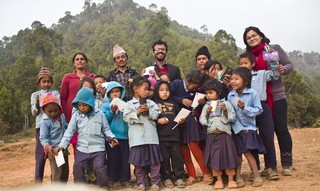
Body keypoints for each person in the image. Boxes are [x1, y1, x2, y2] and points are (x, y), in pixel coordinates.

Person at [243, 26, 294, 175]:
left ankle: (287, 164)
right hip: (257, 99)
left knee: (281, 129)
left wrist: (283, 69)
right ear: (246, 41)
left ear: (260, 35)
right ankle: (269, 166)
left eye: (254, 35)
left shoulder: (270, 50)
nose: (252, 38)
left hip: (276, 96)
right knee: (265, 133)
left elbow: (288, 66)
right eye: (248, 37)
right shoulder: (248, 57)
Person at [54, 87, 118, 188]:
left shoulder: (99, 114)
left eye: (84, 105)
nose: (82, 107)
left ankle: (103, 187)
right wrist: (62, 146)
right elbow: (69, 131)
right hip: (82, 148)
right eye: (79, 105)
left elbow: (106, 129)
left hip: (98, 149)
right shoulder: (76, 115)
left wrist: (112, 139)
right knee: (77, 168)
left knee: (100, 168)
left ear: (91, 103)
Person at [239, 52, 280, 180]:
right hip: (246, 110)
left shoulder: (261, 74)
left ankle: (271, 168)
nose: (243, 66)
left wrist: (271, 55)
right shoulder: (238, 79)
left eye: (245, 63)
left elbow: (275, 74)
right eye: (240, 64)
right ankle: (254, 169)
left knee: (267, 137)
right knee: (251, 140)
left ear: (253, 64)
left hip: (262, 108)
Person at [170, 70, 212, 185]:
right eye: (195, 86)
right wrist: (181, 100)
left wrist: (202, 102)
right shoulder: (176, 84)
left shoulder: (197, 90)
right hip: (178, 119)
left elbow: (199, 103)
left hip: (190, 119)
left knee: (194, 145)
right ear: (189, 81)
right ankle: (191, 174)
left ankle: (206, 172)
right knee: (183, 149)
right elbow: (169, 97)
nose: (195, 88)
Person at [228, 67, 265, 188]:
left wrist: (244, 108)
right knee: (237, 154)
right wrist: (238, 128)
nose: (233, 81)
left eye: (236, 79)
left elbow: (259, 110)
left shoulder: (252, 93)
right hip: (236, 129)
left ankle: (256, 175)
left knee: (249, 153)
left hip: (249, 129)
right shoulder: (231, 95)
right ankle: (238, 177)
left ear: (246, 81)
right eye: (232, 79)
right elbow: (231, 114)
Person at [123, 76, 162, 191]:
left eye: (149, 89)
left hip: (151, 137)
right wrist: (137, 113)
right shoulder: (129, 104)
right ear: (136, 89)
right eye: (145, 89)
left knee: (154, 161)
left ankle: (155, 181)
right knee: (138, 163)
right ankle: (141, 182)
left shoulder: (151, 103)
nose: (148, 91)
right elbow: (126, 117)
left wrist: (149, 111)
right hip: (137, 139)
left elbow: (157, 114)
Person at [199, 79, 238, 189]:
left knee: (229, 157)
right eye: (206, 93)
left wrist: (225, 111)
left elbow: (233, 118)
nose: (208, 96)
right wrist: (207, 113)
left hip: (224, 135)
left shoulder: (226, 104)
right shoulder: (206, 106)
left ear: (219, 92)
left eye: (211, 93)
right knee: (215, 159)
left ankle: (231, 180)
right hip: (212, 135)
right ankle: (219, 180)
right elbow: (202, 121)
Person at [60, 52, 96, 157]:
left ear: (86, 63)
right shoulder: (67, 78)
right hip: (72, 117)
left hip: (91, 116)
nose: (80, 61)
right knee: (77, 146)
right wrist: (65, 116)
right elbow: (63, 98)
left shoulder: (93, 77)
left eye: (82, 59)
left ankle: (92, 172)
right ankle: (80, 170)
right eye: (77, 59)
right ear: (73, 64)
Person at [153, 80, 186, 189]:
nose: (165, 92)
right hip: (161, 137)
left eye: (167, 90)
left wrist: (181, 122)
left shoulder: (175, 104)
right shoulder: (153, 104)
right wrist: (158, 121)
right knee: (165, 159)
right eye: (161, 90)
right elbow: (151, 120)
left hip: (175, 136)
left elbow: (179, 119)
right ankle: (166, 178)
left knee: (177, 158)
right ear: (156, 91)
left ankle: (179, 177)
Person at [31, 67, 61, 183]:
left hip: (55, 127)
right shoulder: (35, 95)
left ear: (52, 82)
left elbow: (59, 108)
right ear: (39, 82)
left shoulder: (55, 93)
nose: (46, 84)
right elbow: (34, 113)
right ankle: (38, 182)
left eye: (49, 81)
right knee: (40, 156)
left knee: (56, 153)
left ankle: (57, 182)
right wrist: (37, 105)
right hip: (40, 127)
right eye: (44, 81)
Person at [101, 81, 131, 189]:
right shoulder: (105, 106)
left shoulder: (126, 104)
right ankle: (114, 179)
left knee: (125, 159)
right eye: (112, 92)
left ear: (121, 92)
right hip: (112, 138)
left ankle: (126, 179)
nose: (115, 94)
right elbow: (104, 121)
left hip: (124, 137)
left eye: (117, 91)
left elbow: (129, 119)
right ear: (108, 94)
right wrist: (111, 111)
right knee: (113, 159)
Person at [39, 93, 69, 183]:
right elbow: (43, 138)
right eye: (50, 111)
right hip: (54, 151)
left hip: (63, 148)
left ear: (59, 108)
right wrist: (48, 146)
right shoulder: (45, 122)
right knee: (57, 173)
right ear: (44, 110)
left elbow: (66, 127)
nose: (53, 113)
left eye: (55, 111)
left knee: (65, 171)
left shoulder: (62, 116)